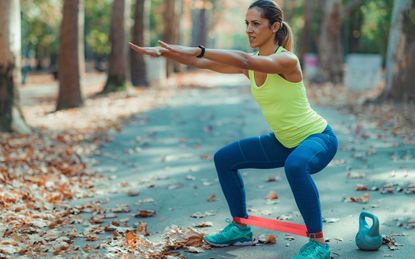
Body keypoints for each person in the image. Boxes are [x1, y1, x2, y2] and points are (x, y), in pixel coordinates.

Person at [129, 1, 338, 258]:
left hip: (318, 138)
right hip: (284, 141)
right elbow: (204, 63)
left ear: (274, 27)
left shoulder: (286, 60)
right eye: (247, 24)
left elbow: (240, 58)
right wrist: (164, 53)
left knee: (295, 166)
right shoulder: (251, 64)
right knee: (224, 159)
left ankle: (318, 244)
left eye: (256, 24)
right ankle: (240, 227)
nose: (249, 30)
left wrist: (198, 48)